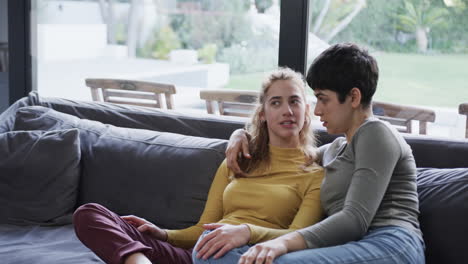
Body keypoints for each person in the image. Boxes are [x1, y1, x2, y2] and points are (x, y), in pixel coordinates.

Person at [73, 67, 325, 264]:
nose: (287, 111)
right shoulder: (237, 161)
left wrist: (245, 232)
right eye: (276, 102)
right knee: (90, 214)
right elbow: (200, 231)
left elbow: (298, 237)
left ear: (307, 110)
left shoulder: (315, 175)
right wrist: (163, 234)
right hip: (198, 252)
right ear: (262, 114)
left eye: (294, 101)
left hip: (245, 257)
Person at [221, 43, 425, 264]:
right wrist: (242, 135)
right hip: (350, 246)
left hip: (392, 243)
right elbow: (291, 156)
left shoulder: (377, 133)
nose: (317, 110)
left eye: (323, 98)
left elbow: (354, 220)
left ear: (354, 98)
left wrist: (281, 242)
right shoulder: (335, 149)